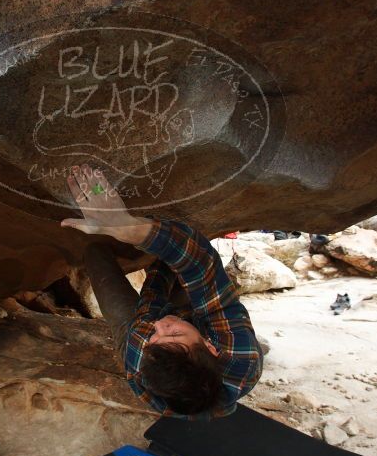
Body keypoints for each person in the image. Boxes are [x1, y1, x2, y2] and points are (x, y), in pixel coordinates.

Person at [60, 164, 263, 419]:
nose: (162, 326)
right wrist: (130, 229)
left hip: (136, 329)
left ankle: (100, 250)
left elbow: (151, 299)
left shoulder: (140, 354)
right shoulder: (240, 352)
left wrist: (160, 264)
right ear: (211, 346)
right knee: (187, 282)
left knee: (94, 254)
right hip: (211, 334)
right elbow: (200, 265)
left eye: (158, 339)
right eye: (175, 333)